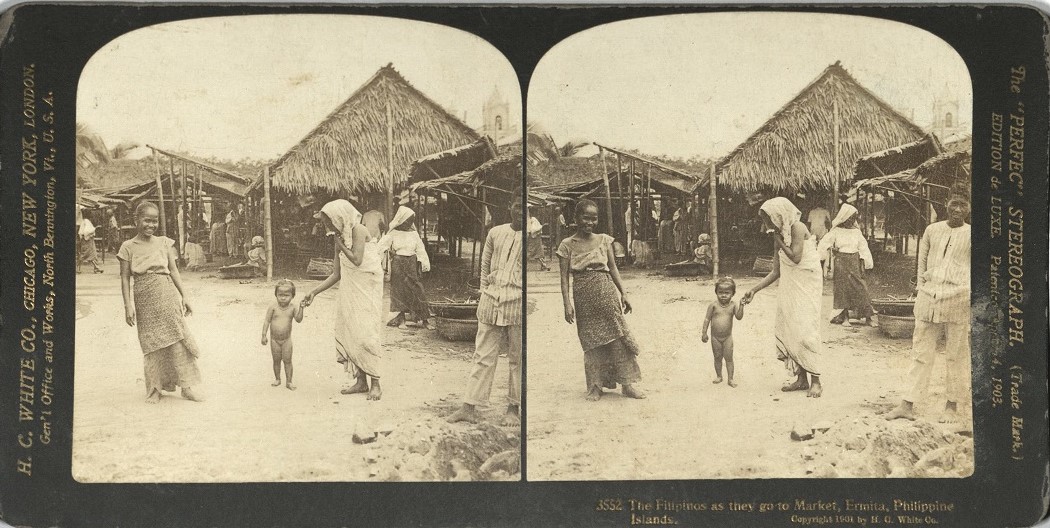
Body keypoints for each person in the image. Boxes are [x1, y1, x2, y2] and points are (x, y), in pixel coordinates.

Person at [886, 195, 971, 424]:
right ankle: (907, 404)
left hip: (958, 298)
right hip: (929, 297)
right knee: (921, 352)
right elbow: (921, 263)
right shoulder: (932, 230)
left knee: (956, 354)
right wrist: (922, 289)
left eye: (963, 205)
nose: (958, 209)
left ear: (969, 208)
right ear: (946, 205)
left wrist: (968, 292)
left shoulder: (973, 234)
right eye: (954, 204)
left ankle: (952, 405)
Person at [556, 199, 645, 402]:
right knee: (591, 342)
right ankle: (595, 386)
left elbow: (612, 268)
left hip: (606, 295)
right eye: (585, 218)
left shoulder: (605, 240)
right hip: (583, 298)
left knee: (618, 338)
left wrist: (624, 293)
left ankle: (627, 385)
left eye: (594, 218)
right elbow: (564, 279)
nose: (590, 222)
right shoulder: (567, 245)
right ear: (576, 218)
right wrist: (567, 304)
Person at [447, 198, 524, 425]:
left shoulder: (532, 236)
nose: (521, 211)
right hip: (491, 299)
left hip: (518, 302)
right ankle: (469, 406)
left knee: (518, 357)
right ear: (510, 207)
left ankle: (513, 408)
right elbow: (485, 265)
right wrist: (483, 292)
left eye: (526, 208)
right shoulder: (495, 233)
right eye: (518, 206)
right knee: (483, 355)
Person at [117, 201, 203, 404]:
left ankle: (187, 387)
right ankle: (155, 389)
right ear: (136, 220)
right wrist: (128, 306)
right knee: (151, 344)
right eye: (146, 220)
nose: (151, 225)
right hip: (144, 299)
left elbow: (173, 270)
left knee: (178, 339)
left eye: (154, 221)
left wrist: (185, 296)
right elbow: (125, 278)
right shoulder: (127, 247)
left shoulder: (164, 243)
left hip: (167, 295)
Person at [302, 200, 384, 400]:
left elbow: (357, 259)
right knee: (352, 331)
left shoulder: (359, 230)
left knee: (366, 334)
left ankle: (376, 383)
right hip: (350, 290)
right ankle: (361, 381)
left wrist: (339, 244)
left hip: (367, 288)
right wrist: (314, 292)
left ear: (339, 218)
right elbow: (336, 274)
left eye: (328, 222)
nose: (326, 226)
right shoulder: (338, 237)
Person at [742, 197, 823, 398]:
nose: (766, 224)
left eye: (768, 219)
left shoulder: (797, 227)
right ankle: (801, 379)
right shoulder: (778, 235)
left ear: (779, 215)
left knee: (806, 330)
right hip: (791, 286)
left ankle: (816, 381)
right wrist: (754, 290)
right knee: (792, 327)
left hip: (806, 283)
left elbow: (795, 257)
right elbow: (776, 271)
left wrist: (778, 241)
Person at [818, 204, 876, 327]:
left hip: (854, 261)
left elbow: (863, 248)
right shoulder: (836, 231)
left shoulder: (856, 232)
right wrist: (829, 251)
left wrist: (866, 263)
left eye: (854, 218)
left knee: (861, 288)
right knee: (842, 290)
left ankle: (868, 318)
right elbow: (823, 244)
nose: (852, 220)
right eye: (850, 218)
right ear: (844, 218)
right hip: (841, 262)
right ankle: (845, 318)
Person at [378, 206, 431, 329]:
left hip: (411, 263)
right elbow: (380, 247)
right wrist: (387, 254)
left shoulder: (414, 234)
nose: (410, 223)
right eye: (408, 220)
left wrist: (424, 264)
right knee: (398, 290)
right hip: (398, 262)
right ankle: (401, 320)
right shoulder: (393, 233)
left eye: (411, 220)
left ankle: (425, 320)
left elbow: (421, 250)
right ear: (402, 220)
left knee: (417, 289)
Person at [261, 279, 304, 390]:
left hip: (286, 340)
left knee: (288, 361)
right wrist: (264, 335)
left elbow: (298, 319)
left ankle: (289, 382)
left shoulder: (293, 308)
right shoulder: (273, 307)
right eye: (280, 295)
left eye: (286, 295)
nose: (283, 298)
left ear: (292, 296)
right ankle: (277, 379)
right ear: (276, 295)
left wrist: (302, 308)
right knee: (276, 361)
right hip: (274, 340)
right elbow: (267, 321)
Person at [702, 277, 745, 387]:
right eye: (720, 292)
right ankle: (719, 376)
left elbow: (739, 317)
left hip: (727, 338)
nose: (723, 295)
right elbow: (707, 319)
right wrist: (704, 333)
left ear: (733, 294)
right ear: (716, 292)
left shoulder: (733, 305)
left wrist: (741, 305)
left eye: (727, 293)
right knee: (717, 357)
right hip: (715, 337)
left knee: (729, 359)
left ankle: (730, 379)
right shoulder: (713, 305)